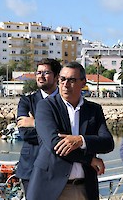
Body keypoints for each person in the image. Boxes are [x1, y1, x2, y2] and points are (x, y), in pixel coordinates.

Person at [27, 62, 114, 200]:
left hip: (84, 188)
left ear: (83, 82)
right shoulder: (46, 106)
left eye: (71, 80)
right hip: (50, 188)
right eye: (62, 79)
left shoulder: (94, 110)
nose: (65, 84)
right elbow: (55, 145)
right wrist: (89, 159)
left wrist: (81, 140)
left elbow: (108, 143)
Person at [14, 58, 62, 194]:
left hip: (60, 168)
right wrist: (55, 131)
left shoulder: (65, 102)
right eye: (38, 72)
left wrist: (36, 123)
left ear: (56, 76)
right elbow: (26, 134)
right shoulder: (26, 101)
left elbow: (70, 130)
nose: (40, 76)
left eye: (46, 72)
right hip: (31, 168)